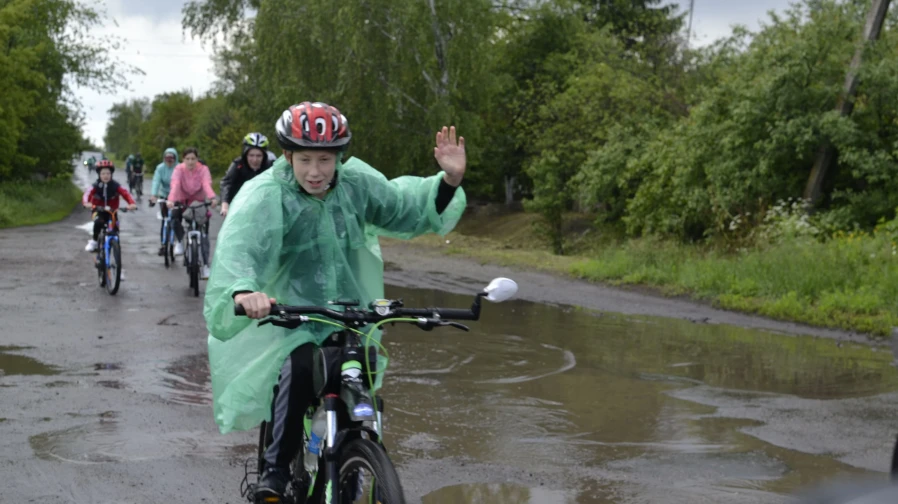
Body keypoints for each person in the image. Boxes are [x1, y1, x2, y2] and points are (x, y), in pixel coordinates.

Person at [202, 101, 467, 502]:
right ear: (287, 155)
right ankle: (274, 473)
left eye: (325, 159)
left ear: (339, 156)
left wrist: (448, 179)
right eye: (304, 159)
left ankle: (356, 455)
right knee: (300, 364)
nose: (315, 171)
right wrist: (243, 290)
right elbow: (240, 249)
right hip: (291, 315)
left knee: (359, 370)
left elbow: (404, 206)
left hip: (349, 313)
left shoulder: (356, 183)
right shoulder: (265, 194)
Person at [166, 147, 218, 279]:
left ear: (197, 159)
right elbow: (175, 184)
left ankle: (206, 266)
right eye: (187, 159)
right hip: (181, 201)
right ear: (183, 159)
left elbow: (206, 184)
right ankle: (179, 241)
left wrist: (212, 198)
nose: (190, 162)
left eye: (193, 159)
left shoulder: (203, 170)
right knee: (173, 218)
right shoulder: (179, 169)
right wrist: (171, 200)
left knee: (204, 235)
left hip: (198, 203)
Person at [82, 160, 137, 252]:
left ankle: (115, 246)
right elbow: (87, 194)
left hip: (112, 211)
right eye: (103, 173)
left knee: (115, 228)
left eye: (108, 173)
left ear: (111, 174)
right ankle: (94, 241)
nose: (105, 176)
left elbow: (126, 194)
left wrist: (131, 204)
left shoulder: (116, 186)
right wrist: (86, 203)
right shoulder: (95, 186)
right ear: (99, 174)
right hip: (98, 210)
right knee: (98, 222)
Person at [219, 132, 274, 217]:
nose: (255, 160)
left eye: (259, 156)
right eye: (251, 155)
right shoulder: (238, 165)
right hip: (239, 208)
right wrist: (225, 205)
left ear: (264, 156)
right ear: (245, 154)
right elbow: (226, 183)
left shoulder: (270, 166)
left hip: (262, 209)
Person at [150, 148, 179, 256]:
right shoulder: (160, 168)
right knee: (164, 220)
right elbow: (156, 181)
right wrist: (154, 195)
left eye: (171, 159)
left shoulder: (179, 168)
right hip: (164, 195)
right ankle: (163, 245)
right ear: (164, 159)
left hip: (176, 195)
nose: (169, 161)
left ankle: (177, 242)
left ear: (175, 159)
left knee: (176, 219)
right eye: (167, 159)